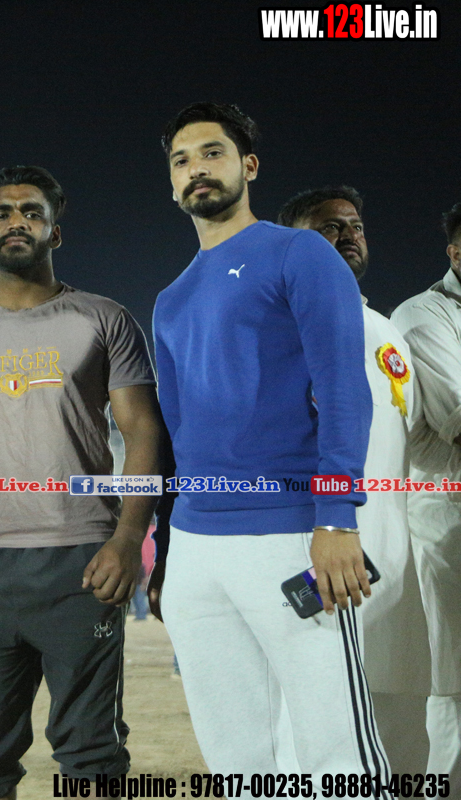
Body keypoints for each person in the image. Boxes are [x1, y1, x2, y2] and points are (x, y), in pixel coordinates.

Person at [148, 102, 390, 783]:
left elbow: (344, 390)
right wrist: (168, 552)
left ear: (248, 165)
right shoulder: (170, 299)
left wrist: (336, 518)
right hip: (197, 548)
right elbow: (177, 438)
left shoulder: (299, 253)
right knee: (238, 759)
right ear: (172, 183)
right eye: (182, 160)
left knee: (337, 753)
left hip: (289, 535)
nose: (197, 169)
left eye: (213, 153)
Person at [0, 165, 163, 800]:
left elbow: (143, 431)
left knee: (91, 751)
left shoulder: (104, 318)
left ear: (56, 230)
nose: (15, 222)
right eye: (1, 213)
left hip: (82, 561)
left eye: (31, 212)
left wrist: (126, 538)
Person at [279, 185, 432, 773]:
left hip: (395, 554)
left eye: (356, 227)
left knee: (398, 706)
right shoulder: (281, 325)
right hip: (321, 547)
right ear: (293, 245)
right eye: (328, 228)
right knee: (314, 711)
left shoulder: (386, 330)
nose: (348, 236)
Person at [391, 201, 461, 785]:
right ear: (456, 252)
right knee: (455, 678)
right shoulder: (421, 316)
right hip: (449, 514)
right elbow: (457, 417)